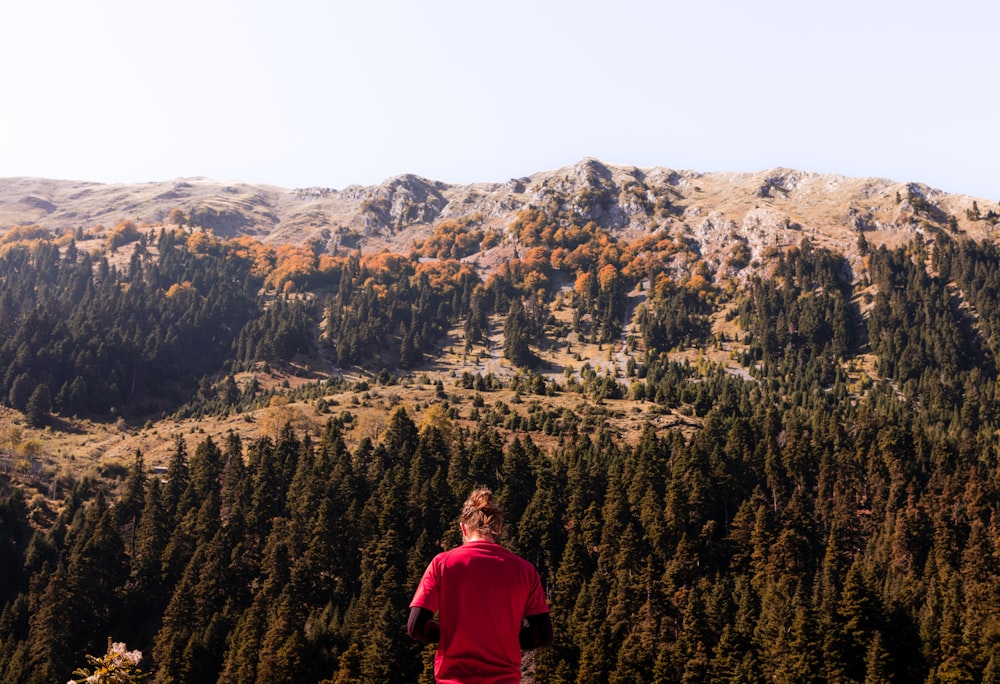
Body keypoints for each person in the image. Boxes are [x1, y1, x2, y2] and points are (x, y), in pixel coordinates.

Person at [408, 487, 553, 683]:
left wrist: (455, 635)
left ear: (463, 528)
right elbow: (542, 635)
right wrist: (502, 638)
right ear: (498, 528)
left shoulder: (442, 564)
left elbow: (416, 627)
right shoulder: (524, 571)